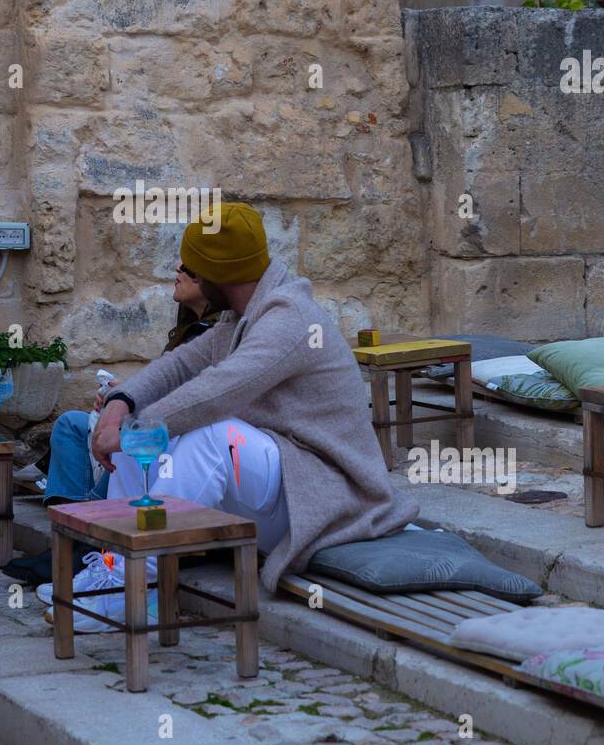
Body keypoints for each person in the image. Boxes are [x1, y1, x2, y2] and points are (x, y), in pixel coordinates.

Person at [43, 201, 418, 629]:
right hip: (282, 488)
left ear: (215, 275)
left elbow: (218, 392)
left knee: (211, 436)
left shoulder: (289, 319)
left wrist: (135, 428)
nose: (185, 273)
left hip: (326, 494)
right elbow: (181, 365)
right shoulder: (242, 316)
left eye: (192, 267)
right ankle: (116, 576)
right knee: (148, 432)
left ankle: (133, 586)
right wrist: (121, 405)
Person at [2, 265, 218, 587]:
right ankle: (68, 540)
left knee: (127, 443)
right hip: (156, 424)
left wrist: (127, 407)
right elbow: (160, 385)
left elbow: (191, 401)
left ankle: (87, 545)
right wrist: (119, 395)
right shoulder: (187, 331)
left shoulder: (217, 334)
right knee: (71, 425)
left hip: (179, 437)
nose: (177, 270)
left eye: (189, 268)